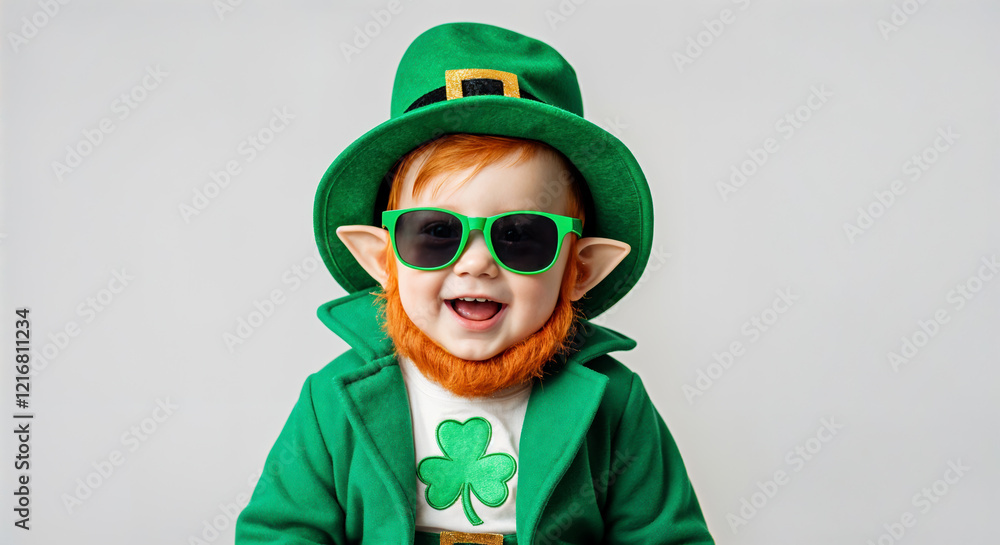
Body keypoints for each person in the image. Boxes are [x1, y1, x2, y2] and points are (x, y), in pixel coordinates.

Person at [236, 22, 715, 545]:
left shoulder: (613, 405)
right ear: (382, 259)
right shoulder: (332, 398)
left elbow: (667, 538)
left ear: (580, 269)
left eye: (521, 237)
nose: (477, 264)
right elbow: (279, 533)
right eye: (437, 233)